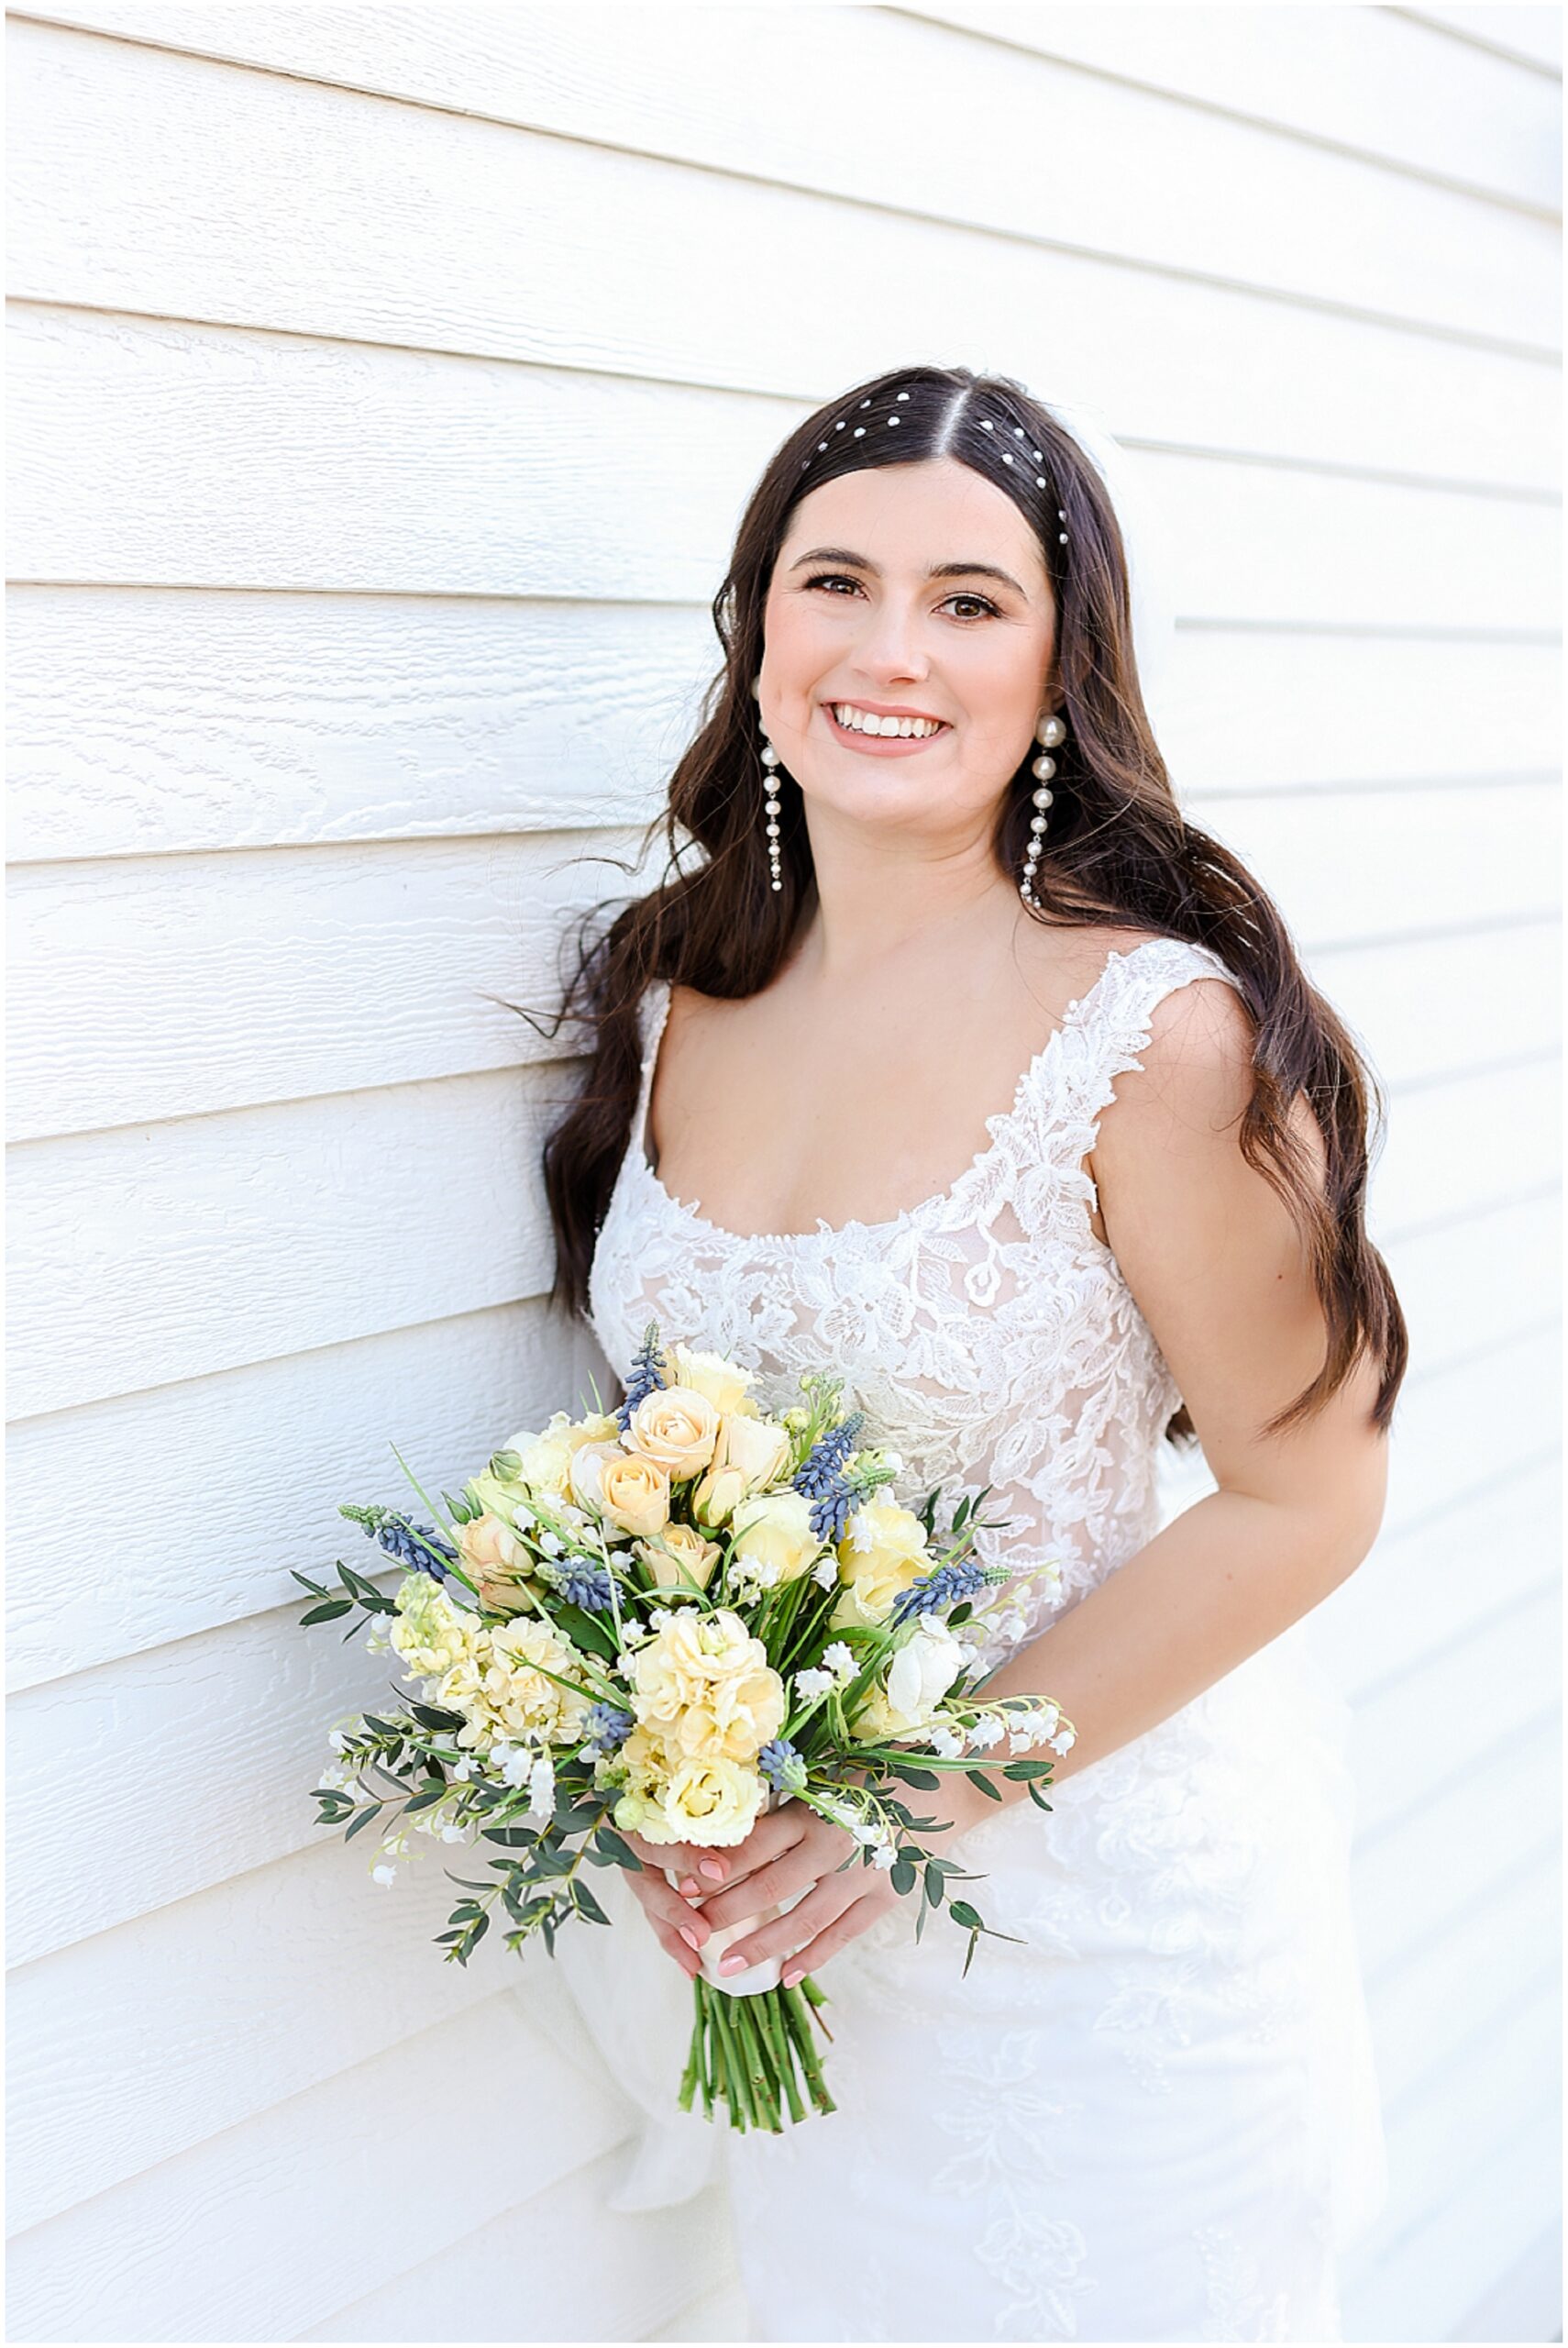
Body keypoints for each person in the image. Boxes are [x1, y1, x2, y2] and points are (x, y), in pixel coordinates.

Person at [537, 363, 1404, 2342]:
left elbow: (1308, 1485)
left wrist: (908, 1795)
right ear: (761, 628)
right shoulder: (672, 996)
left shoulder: (1155, 1031)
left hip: (1105, 1941)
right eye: (836, 579)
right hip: (808, 1959)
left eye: (970, 599)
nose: (890, 649)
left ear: (1058, 663)